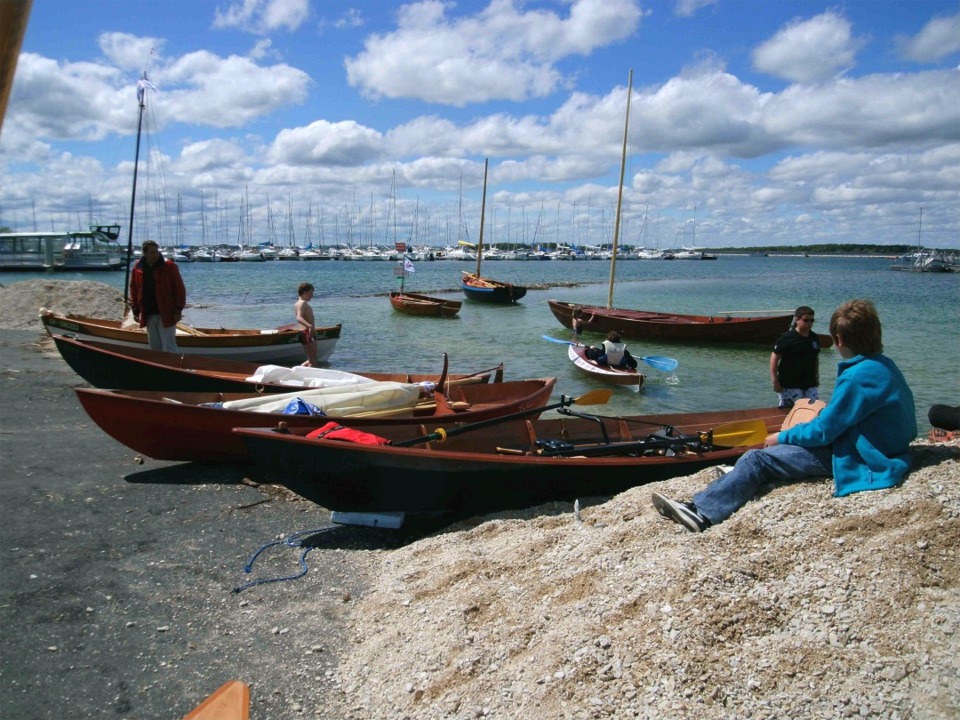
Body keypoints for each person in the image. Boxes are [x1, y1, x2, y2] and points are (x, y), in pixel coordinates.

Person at [652, 298, 917, 533]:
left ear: (840, 340)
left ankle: (701, 512)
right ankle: (736, 478)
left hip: (858, 454)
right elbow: (909, 426)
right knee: (774, 450)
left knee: (757, 459)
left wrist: (782, 435)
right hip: (884, 447)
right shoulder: (884, 366)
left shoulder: (857, 377)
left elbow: (824, 432)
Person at [128, 239, 186, 352]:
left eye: (156, 252)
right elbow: (134, 289)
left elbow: (179, 289)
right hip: (148, 312)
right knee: (154, 345)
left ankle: (172, 367)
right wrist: (135, 309)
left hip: (166, 311)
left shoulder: (169, 266)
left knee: (169, 345)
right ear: (144, 253)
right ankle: (158, 366)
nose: (155, 255)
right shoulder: (138, 267)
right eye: (151, 252)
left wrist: (178, 310)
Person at [770, 306, 821, 408]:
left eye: (812, 320)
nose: (809, 323)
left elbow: (815, 358)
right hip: (790, 385)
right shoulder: (786, 338)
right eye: (806, 320)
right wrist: (775, 381)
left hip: (810, 384)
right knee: (790, 415)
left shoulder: (814, 338)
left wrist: (816, 376)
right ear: (797, 320)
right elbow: (774, 358)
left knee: (813, 412)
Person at [295, 282, 318, 367]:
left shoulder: (299, 303)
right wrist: (309, 326)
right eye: (311, 293)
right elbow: (299, 317)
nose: (312, 295)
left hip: (307, 332)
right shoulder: (302, 303)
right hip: (306, 332)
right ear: (305, 292)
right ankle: (308, 378)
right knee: (312, 362)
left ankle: (299, 371)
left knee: (312, 360)